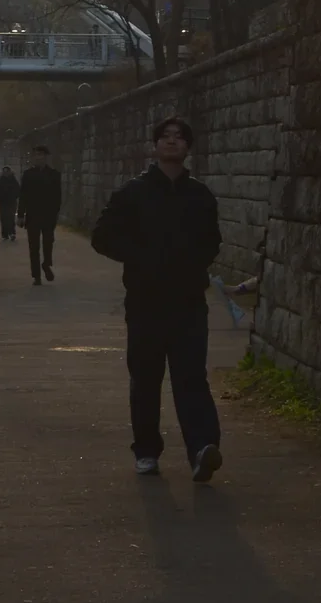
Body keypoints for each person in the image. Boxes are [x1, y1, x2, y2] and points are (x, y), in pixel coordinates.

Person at [90, 116, 223, 483]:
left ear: (188, 147)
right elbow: (102, 236)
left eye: (179, 138)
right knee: (146, 379)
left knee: (191, 377)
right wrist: (140, 258)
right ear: (155, 145)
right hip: (146, 301)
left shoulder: (199, 196)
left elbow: (212, 241)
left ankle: (202, 448)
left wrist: (193, 264)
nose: (172, 142)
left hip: (188, 302)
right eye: (165, 137)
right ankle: (147, 451)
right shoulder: (134, 193)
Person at [17, 143, 61, 284]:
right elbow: (23, 195)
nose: (38, 158)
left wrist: (55, 213)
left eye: (41, 155)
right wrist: (20, 215)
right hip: (33, 215)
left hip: (48, 215)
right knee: (33, 246)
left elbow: (57, 196)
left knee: (48, 242)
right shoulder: (28, 175)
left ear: (46, 157)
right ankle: (36, 275)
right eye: (36, 155)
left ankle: (46, 264)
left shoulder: (54, 175)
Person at [0, 165, 20, 241]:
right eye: (4, 172)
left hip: (11, 201)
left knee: (11, 218)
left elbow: (18, 190)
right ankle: (5, 234)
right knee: (3, 218)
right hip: (3, 202)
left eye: (7, 172)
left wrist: (13, 196)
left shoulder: (13, 180)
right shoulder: (1, 180)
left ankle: (12, 232)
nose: (6, 173)